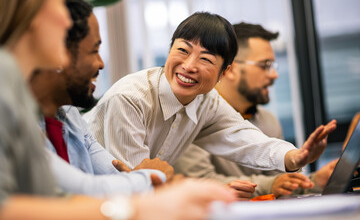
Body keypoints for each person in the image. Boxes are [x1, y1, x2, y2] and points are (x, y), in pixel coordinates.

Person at [0, 0, 235, 220]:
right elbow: (74, 192)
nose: (65, 18)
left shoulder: (58, 109)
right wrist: (140, 199)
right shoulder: (5, 79)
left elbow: (78, 187)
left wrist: (147, 185)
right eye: (59, 4)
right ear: (31, 13)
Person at [85, 12, 336, 177]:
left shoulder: (206, 101)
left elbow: (244, 138)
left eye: (205, 59)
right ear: (170, 50)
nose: (189, 66)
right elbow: (136, 180)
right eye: (182, 50)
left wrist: (294, 156)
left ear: (224, 72)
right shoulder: (130, 98)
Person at [174, 22, 338, 199]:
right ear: (231, 70)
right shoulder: (191, 116)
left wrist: (314, 181)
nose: (274, 74)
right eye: (265, 64)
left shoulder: (268, 121)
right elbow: (199, 183)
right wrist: (270, 185)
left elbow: (280, 184)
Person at [30, 0, 174, 197]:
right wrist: (151, 176)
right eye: (94, 51)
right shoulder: (15, 119)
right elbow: (84, 190)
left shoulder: (69, 114)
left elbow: (117, 175)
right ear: (58, 54)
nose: (101, 63)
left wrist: (142, 179)